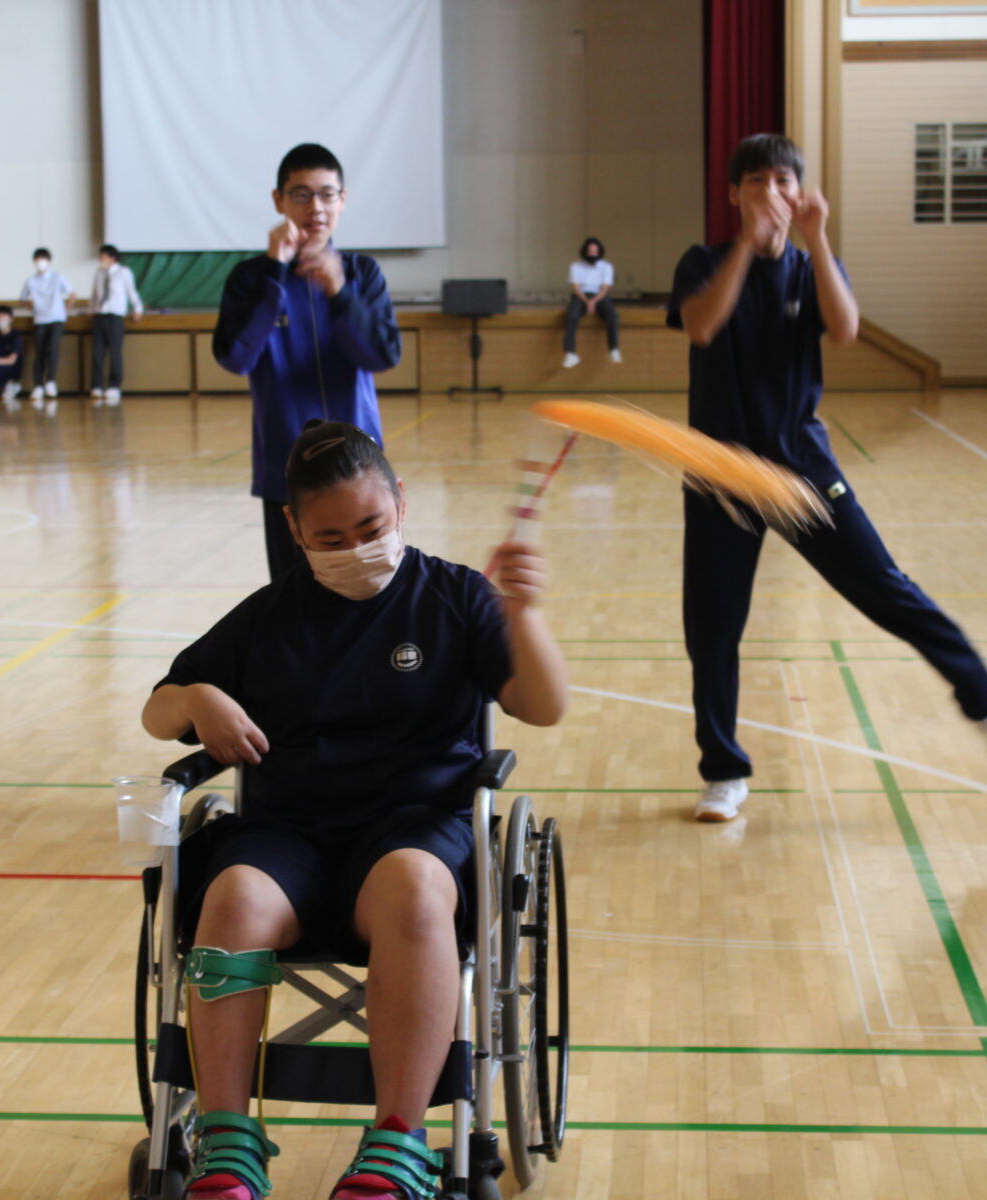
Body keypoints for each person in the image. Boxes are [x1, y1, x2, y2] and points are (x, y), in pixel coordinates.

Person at [141, 421, 566, 1200]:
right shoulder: (270, 616)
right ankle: (227, 1147)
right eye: (330, 536)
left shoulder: (456, 596)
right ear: (294, 528)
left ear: (401, 502)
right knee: (230, 899)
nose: (356, 547)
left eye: (372, 527)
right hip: (289, 835)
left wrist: (525, 614)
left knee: (411, 887)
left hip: (415, 830)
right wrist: (198, 699)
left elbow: (542, 706)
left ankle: (398, 1143)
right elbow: (157, 710)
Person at [668, 134, 987, 823]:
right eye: (756, 181)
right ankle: (723, 772)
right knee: (711, 632)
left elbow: (846, 328)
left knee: (887, 589)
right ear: (734, 194)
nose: (771, 192)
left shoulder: (811, 270)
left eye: (783, 180)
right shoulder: (705, 262)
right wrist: (748, 244)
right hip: (721, 478)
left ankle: (984, 702)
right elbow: (702, 327)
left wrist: (818, 237)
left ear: (800, 191)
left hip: (803, 472)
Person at [214, 143, 402, 582]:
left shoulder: (361, 274)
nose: (314, 207)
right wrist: (275, 277)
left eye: (326, 194)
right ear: (278, 200)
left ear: (343, 200)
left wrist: (339, 292)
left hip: (363, 470)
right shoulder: (250, 279)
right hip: (286, 475)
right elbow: (237, 358)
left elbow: (381, 355)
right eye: (300, 194)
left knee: (375, 590)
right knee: (295, 602)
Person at [20, 247, 74, 411]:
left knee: (53, 347)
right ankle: (38, 385)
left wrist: (66, 310)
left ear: (49, 261)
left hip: (57, 318)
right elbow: (22, 299)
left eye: (43, 259)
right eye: (38, 259)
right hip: (40, 319)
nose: (40, 262)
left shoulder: (58, 277)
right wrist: (34, 308)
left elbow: (72, 294)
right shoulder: (31, 281)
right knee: (40, 352)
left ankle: (51, 380)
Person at [90, 243, 142, 406]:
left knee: (115, 351)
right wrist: (90, 310)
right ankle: (97, 386)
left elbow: (131, 292)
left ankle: (114, 385)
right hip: (100, 316)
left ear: (112, 258)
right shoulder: (99, 273)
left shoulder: (123, 272)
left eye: (103, 257)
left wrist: (137, 308)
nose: (100, 260)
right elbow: (94, 294)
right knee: (97, 353)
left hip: (115, 317)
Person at [562, 236, 620, 369]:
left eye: (595, 251)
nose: (592, 254)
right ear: (585, 252)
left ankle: (613, 348)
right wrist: (587, 301)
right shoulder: (576, 266)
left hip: (600, 295)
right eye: (590, 251)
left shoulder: (607, 266)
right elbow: (576, 287)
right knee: (571, 316)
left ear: (599, 252)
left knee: (612, 315)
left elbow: (605, 287)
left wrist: (593, 301)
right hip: (581, 296)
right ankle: (570, 353)